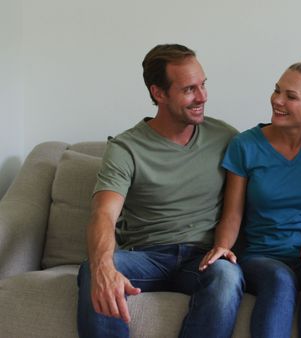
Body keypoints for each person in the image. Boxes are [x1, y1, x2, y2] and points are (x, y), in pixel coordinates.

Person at [76, 44, 244, 338]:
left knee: (228, 276)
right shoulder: (125, 148)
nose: (202, 96)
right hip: (145, 256)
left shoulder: (226, 137)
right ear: (159, 93)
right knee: (94, 269)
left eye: (203, 85)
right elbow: (103, 213)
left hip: (202, 259)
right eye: (189, 89)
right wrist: (104, 265)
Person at [198, 56, 301, 338]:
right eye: (277, 90)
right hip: (262, 258)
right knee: (280, 279)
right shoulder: (245, 145)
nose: (277, 100)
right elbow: (232, 213)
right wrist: (222, 247)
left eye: (290, 96)